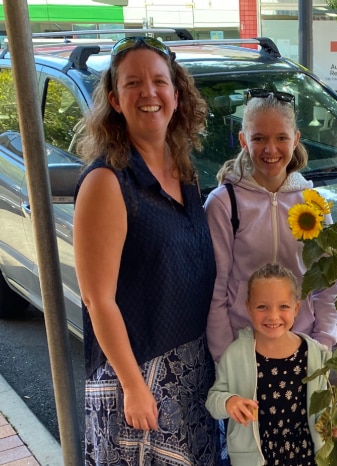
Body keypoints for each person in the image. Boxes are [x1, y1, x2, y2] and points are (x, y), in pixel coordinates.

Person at [74, 36, 220, 464]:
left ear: (176, 95)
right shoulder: (108, 182)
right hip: (137, 380)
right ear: (116, 99)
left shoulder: (185, 173)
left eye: (159, 81)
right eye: (133, 83)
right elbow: (96, 300)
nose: (149, 93)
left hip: (193, 371)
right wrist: (134, 387)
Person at [204, 89, 337, 363]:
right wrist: (226, 359)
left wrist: (323, 346)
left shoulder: (313, 205)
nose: (270, 149)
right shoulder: (224, 204)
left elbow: (328, 284)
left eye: (281, 138)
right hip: (243, 351)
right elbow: (215, 291)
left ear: (296, 139)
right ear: (243, 140)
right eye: (259, 138)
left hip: (304, 348)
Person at [206, 263, 331, 465]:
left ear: (296, 308)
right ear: (248, 307)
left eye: (283, 306)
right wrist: (229, 402)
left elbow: (324, 402)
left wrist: (331, 422)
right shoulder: (235, 354)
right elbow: (213, 400)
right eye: (262, 306)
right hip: (257, 458)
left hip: (305, 456)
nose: (273, 316)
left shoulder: (314, 353)